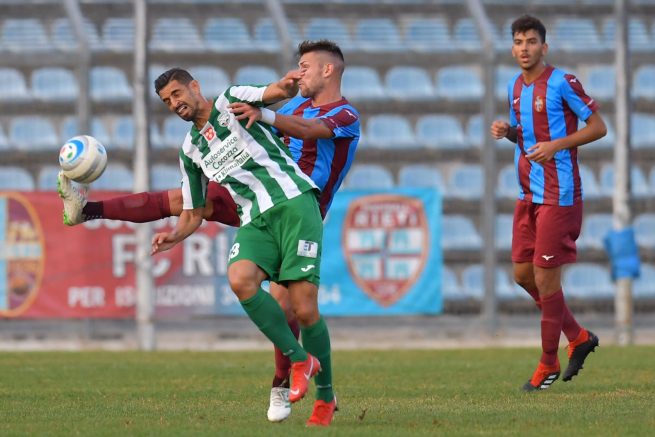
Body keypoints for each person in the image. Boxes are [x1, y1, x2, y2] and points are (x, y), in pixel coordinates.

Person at [58, 41, 357, 426]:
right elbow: (269, 111)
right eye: (167, 100)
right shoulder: (208, 139)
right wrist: (175, 235)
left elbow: (299, 124)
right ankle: (87, 210)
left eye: (305, 67)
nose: (300, 73)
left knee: (294, 308)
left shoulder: (342, 113)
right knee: (189, 209)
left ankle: (291, 384)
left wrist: (267, 109)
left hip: (299, 202)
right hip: (254, 200)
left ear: (327, 70)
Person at [490, 14, 606, 392]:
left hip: (559, 194)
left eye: (531, 41)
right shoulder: (514, 87)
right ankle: (578, 336)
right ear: (512, 48)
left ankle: (548, 363)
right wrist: (509, 132)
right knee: (522, 275)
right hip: (528, 194)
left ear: (544, 46)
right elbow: (527, 137)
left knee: (544, 276)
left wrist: (557, 145)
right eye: (518, 42)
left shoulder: (562, 82)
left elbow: (598, 127)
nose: (524, 48)